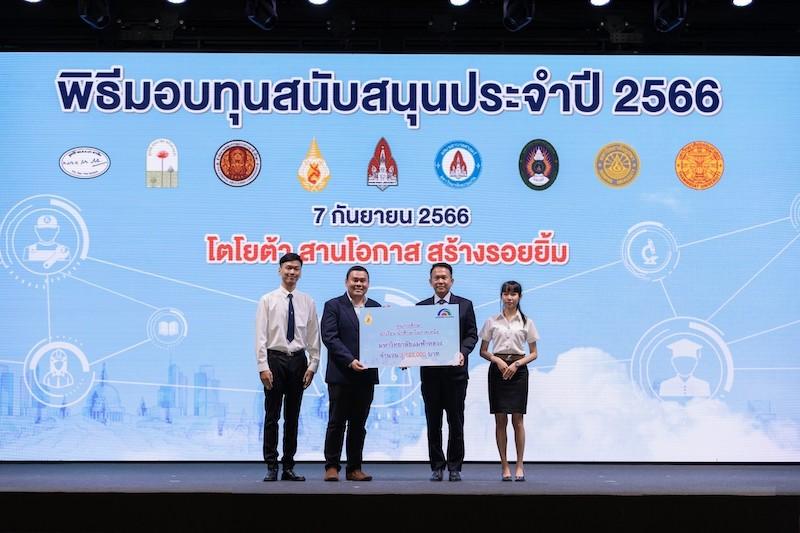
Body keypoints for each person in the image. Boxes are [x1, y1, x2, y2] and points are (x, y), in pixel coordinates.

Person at [255, 252, 320, 482]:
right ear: (279, 270)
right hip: (275, 360)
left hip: (298, 361)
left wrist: (313, 364)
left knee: (293, 417)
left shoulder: (307, 301)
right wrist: (262, 366)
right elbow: (260, 336)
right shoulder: (267, 300)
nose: (292, 272)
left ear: (301, 272)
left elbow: (313, 336)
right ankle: (271, 466)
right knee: (272, 415)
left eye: (296, 269)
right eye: (288, 268)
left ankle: (288, 466)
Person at [417, 262, 478, 481]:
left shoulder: (465, 305)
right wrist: (405, 355)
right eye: (437, 277)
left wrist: (463, 352)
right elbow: (414, 337)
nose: (440, 281)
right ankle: (437, 466)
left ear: (452, 280)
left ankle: (454, 467)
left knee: (456, 422)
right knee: (433, 423)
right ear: (430, 281)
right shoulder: (420, 307)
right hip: (430, 376)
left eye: (444, 277)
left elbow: (472, 335)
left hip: (456, 375)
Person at [320, 266, 380, 482]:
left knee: (358, 425)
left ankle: (354, 468)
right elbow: (330, 337)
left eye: (363, 280)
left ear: (368, 284)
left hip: (366, 376)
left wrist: (399, 358)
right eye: (355, 280)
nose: (359, 284)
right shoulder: (333, 306)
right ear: (346, 282)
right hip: (341, 374)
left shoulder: (376, 308)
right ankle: (332, 466)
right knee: (336, 422)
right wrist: (350, 360)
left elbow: (386, 339)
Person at [478, 281, 538, 482]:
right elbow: (483, 350)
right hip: (498, 370)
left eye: (513, 294)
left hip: (518, 371)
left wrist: (517, 364)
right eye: (506, 294)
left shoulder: (527, 322)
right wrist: (497, 360)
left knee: (518, 420)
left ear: (520, 297)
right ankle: (504, 465)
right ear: (501, 296)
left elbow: (534, 353)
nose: (509, 298)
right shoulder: (492, 321)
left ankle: (519, 464)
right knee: (500, 420)